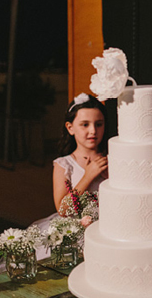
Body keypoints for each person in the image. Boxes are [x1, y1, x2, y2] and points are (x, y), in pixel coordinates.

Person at [32, 92, 108, 259]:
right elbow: (63, 209)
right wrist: (88, 176)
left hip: (107, 230)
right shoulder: (64, 165)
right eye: (85, 124)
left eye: (99, 124)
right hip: (74, 233)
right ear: (70, 128)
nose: (93, 130)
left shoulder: (111, 160)